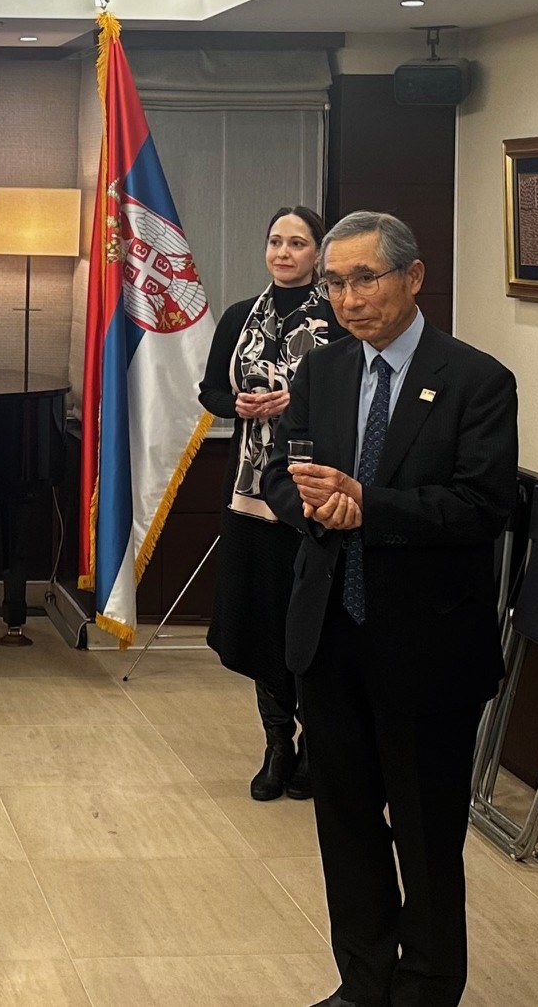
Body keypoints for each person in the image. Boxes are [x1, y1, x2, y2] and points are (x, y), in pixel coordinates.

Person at [262, 210, 517, 1007]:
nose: (347, 299)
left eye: (363, 279)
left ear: (412, 277)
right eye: (335, 283)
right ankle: (362, 982)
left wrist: (369, 504)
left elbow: (482, 506)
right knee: (345, 829)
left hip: (426, 649)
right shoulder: (323, 370)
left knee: (425, 835)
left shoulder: (475, 379)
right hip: (329, 638)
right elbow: (278, 473)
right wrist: (314, 508)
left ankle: (425, 988)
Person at [198, 205, 337, 802]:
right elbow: (210, 390)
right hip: (248, 493)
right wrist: (238, 406)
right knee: (260, 621)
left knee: (305, 622)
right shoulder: (239, 316)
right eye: (275, 241)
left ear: (318, 254)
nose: (283, 253)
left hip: (310, 493)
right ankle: (277, 744)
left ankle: (314, 745)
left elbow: (352, 396)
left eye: (297, 243)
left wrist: (295, 405)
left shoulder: (338, 318)